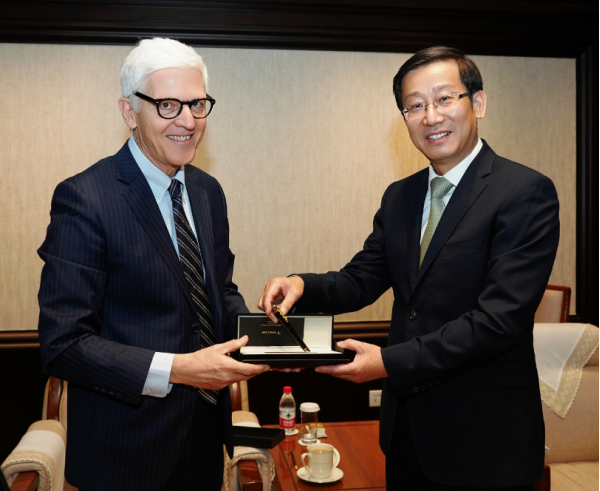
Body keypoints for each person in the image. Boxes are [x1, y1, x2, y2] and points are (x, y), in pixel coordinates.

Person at [259, 46, 559, 490]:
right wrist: (301, 284)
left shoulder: (524, 191)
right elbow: (360, 280)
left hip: (484, 440)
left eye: (444, 99)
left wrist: (387, 361)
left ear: (477, 103)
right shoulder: (401, 195)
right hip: (406, 434)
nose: (430, 116)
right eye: (414, 106)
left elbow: (499, 321)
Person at [37, 38, 269, 491]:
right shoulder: (84, 198)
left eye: (197, 104)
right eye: (167, 105)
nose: (188, 121)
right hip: (123, 453)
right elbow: (63, 345)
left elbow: (217, 292)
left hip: (203, 438)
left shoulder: (207, 191)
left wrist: (269, 341)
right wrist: (179, 369)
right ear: (129, 112)